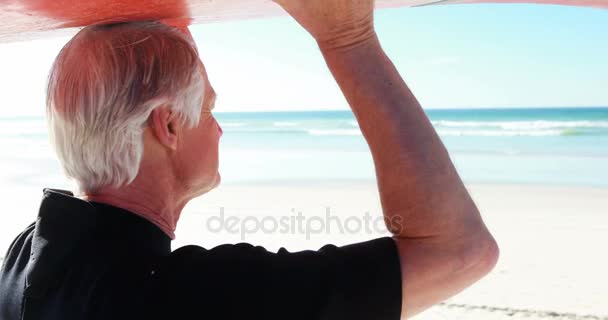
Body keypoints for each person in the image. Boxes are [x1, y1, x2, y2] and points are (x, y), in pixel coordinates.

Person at [0, 0, 499, 319]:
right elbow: (460, 250)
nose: (219, 128)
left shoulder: (29, 258)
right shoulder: (193, 299)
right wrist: (348, 40)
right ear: (169, 126)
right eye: (209, 109)